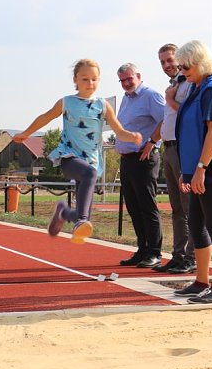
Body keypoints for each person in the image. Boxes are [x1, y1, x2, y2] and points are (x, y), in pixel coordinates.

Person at [14, 59, 142, 244]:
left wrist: (132, 136)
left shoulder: (103, 105)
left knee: (84, 211)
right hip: (69, 158)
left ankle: (64, 213)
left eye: (94, 79)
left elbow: (119, 131)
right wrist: (26, 133)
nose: (90, 83)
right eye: (85, 79)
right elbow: (45, 117)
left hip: (92, 161)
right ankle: (80, 220)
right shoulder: (66, 102)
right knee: (84, 211)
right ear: (75, 80)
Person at [171, 40, 212, 304]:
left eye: (185, 66)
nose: (182, 71)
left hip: (211, 172)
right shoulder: (196, 89)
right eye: (180, 66)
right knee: (197, 226)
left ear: (199, 63)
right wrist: (186, 171)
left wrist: (200, 168)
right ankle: (201, 280)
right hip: (194, 171)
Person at [114, 62, 167, 267]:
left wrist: (152, 142)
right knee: (134, 207)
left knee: (147, 206)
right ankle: (142, 249)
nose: (126, 83)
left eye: (129, 79)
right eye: (122, 80)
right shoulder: (126, 99)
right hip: (127, 159)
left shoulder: (150, 95)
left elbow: (166, 120)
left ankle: (154, 252)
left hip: (144, 158)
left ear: (138, 76)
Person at [150, 43, 196, 274]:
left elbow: (190, 114)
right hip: (168, 149)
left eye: (170, 60)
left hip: (183, 149)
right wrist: (151, 141)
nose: (167, 65)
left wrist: (170, 99)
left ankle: (192, 256)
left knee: (189, 207)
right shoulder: (172, 85)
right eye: (163, 62)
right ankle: (178, 256)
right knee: (176, 208)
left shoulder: (189, 83)